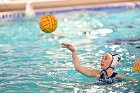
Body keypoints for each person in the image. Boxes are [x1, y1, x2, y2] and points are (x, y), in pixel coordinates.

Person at [61, 43, 140, 84]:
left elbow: (135, 82)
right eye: (102, 58)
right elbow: (78, 67)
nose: (102, 60)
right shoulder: (96, 73)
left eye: (106, 58)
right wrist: (73, 51)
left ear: (112, 63)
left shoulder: (120, 76)